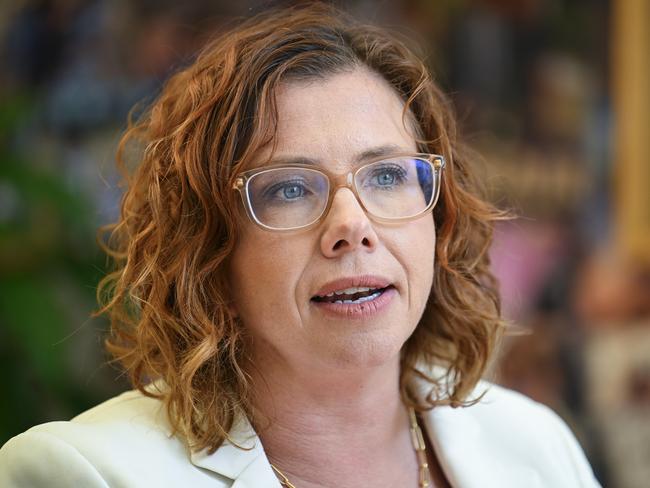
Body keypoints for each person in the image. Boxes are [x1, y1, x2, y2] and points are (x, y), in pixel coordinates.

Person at [0, 4, 601, 487]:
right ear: (206, 251)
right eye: (290, 188)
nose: (352, 225)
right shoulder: (85, 473)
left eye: (387, 176)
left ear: (438, 222)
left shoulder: (535, 445)